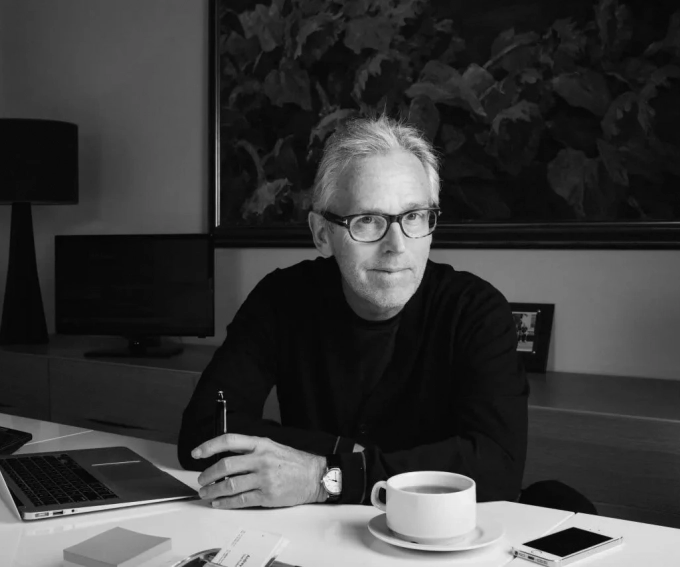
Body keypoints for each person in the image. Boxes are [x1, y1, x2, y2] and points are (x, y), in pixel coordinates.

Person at [177, 114, 528, 510]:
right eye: (368, 220)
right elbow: (204, 434)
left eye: (414, 216)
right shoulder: (281, 298)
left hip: (436, 533)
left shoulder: (477, 311)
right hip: (307, 532)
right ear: (322, 234)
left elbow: (498, 467)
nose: (397, 245)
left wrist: (323, 477)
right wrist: (345, 452)